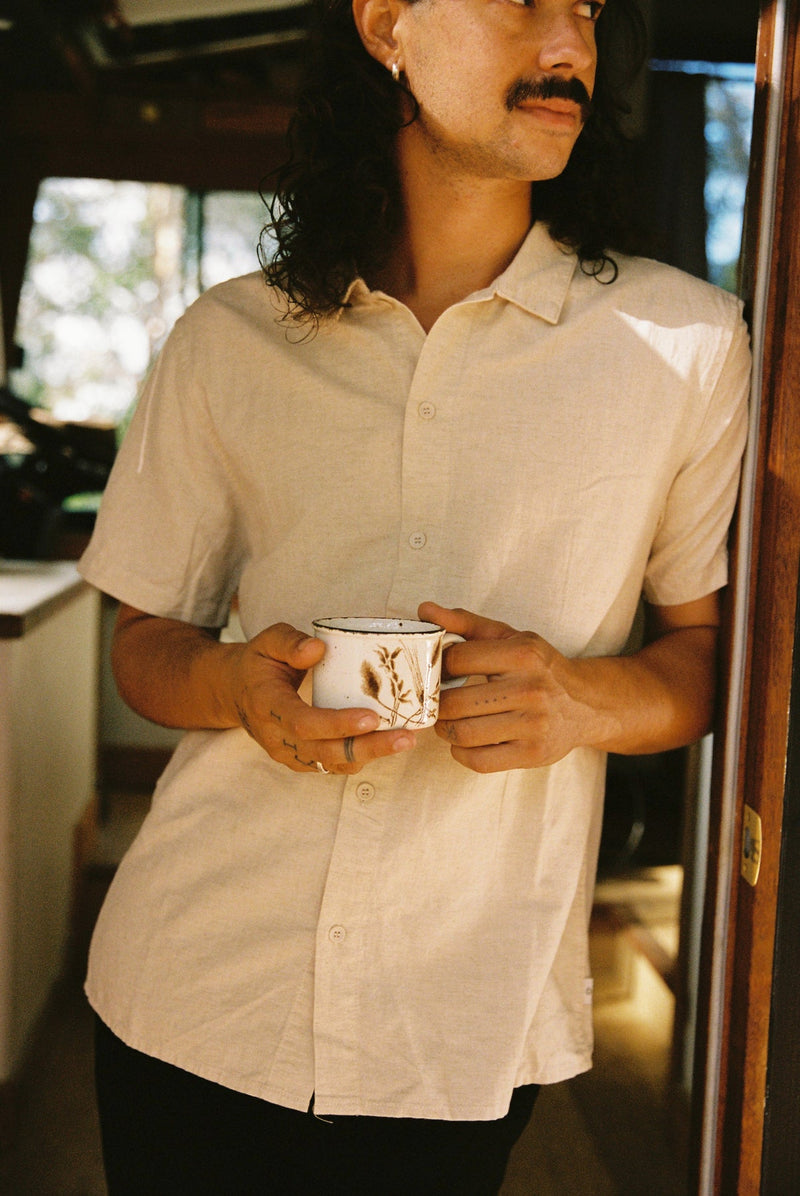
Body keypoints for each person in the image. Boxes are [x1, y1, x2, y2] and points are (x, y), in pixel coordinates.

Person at [78, 0, 751, 1192]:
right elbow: (144, 644)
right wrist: (238, 684)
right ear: (386, 21)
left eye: (588, 8)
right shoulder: (228, 337)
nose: (569, 43)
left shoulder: (686, 345)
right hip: (190, 989)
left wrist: (585, 702)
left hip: (454, 1015)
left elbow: (711, 662)